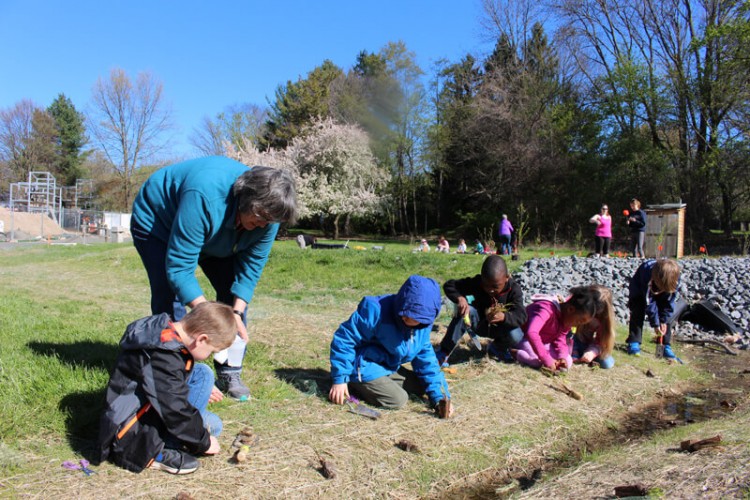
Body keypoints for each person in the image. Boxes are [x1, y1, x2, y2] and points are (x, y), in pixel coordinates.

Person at [130, 156, 298, 401]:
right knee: (171, 298)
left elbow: (250, 271)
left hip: (218, 234)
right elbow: (179, 269)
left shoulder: (270, 214)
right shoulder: (204, 194)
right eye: (259, 218)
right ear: (246, 199)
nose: (262, 225)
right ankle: (175, 374)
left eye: (268, 222)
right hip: (158, 222)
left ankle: (229, 370)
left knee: (233, 300)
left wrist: (235, 315)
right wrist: (207, 316)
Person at [98, 302, 237, 475]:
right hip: (130, 434)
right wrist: (203, 442)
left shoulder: (163, 331)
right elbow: (174, 409)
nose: (210, 355)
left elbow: (167, 383)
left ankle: (187, 434)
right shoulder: (163, 356)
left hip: (147, 407)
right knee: (209, 429)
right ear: (201, 339)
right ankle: (164, 448)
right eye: (212, 350)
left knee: (213, 418)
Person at [328, 275, 452, 418]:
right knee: (398, 399)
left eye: (416, 319)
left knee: (421, 386)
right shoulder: (375, 310)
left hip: (387, 365)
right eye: (405, 316)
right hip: (363, 366)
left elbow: (426, 359)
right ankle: (352, 383)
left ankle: (376, 383)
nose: (409, 320)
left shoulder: (423, 325)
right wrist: (339, 379)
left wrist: (440, 398)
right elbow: (344, 339)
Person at [437, 255, 527, 365]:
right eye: (486, 285)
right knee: (466, 310)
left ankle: (498, 347)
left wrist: (504, 316)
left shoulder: (514, 290)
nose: (490, 290)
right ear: (482, 278)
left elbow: (521, 315)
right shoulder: (477, 283)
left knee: (516, 335)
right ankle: (444, 351)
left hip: (501, 330)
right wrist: (459, 298)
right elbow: (450, 285)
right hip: (479, 324)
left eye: (495, 286)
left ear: (506, 278)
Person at [513, 287, 600, 372]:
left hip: (544, 342)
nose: (578, 325)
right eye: (579, 321)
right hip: (526, 339)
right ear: (570, 309)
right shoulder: (546, 309)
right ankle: (517, 354)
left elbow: (560, 338)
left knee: (568, 361)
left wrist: (561, 357)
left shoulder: (567, 318)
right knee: (539, 362)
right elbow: (531, 333)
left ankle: (540, 359)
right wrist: (546, 359)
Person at [626, 259, 681, 359]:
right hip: (639, 289)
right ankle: (634, 341)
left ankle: (665, 346)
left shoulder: (674, 278)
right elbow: (649, 303)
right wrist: (655, 324)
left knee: (666, 314)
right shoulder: (647, 274)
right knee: (637, 310)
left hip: (663, 284)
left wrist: (663, 321)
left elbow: (669, 303)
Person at [570, 285, 616, 369]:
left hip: (586, 344)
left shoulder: (602, 320)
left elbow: (601, 342)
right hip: (570, 341)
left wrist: (592, 352)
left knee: (606, 363)